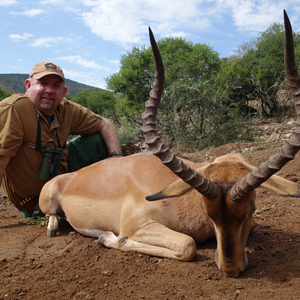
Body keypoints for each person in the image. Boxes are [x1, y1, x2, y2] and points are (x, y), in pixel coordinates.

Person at [0, 61, 122, 219]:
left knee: (98, 140)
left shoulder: (66, 109)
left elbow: (105, 124)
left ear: (63, 91)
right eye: (43, 83)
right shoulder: (13, 110)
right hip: (37, 199)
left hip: (64, 178)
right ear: (28, 85)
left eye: (56, 85)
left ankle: (117, 190)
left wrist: (118, 159)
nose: (49, 91)